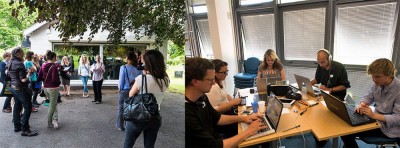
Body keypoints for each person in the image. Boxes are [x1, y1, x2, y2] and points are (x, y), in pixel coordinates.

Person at [185, 57, 266, 147]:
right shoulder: (187, 116)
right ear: (195, 82)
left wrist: (244, 118)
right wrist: (248, 131)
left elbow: (218, 118)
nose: (213, 83)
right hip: (216, 143)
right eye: (210, 80)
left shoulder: (201, 97)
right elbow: (216, 146)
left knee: (260, 136)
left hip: (217, 138)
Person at [341, 58, 400, 147]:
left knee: (346, 132)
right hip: (376, 121)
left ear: (389, 75)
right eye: (372, 76)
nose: (373, 79)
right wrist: (362, 104)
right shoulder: (378, 83)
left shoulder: (398, 89)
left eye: (377, 76)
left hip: (390, 129)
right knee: (345, 128)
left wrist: (373, 115)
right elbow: (368, 96)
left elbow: (398, 119)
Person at [124, 50, 169, 148]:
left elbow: (130, 95)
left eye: (144, 61)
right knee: (149, 146)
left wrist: (144, 75)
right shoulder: (166, 79)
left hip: (137, 117)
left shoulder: (141, 79)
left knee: (128, 144)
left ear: (148, 63)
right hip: (154, 116)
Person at [7, 47, 38, 136]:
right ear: (19, 53)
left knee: (17, 106)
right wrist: (29, 72)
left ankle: (17, 126)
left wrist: (26, 72)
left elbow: (10, 74)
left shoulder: (10, 62)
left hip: (13, 86)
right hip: (21, 88)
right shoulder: (19, 64)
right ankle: (25, 129)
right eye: (22, 53)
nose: (24, 54)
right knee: (28, 107)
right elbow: (24, 79)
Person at [206, 59, 241, 138]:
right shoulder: (213, 87)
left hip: (227, 111)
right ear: (215, 73)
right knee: (243, 123)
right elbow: (216, 110)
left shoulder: (220, 81)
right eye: (224, 72)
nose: (227, 74)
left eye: (227, 71)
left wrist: (233, 102)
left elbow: (226, 94)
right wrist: (233, 103)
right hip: (221, 119)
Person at [116, 51, 141, 131]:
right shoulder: (138, 69)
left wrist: (119, 89)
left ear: (127, 58)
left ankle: (120, 125)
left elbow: (121, 80)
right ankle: (128, 125)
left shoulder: (123, 67)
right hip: (134, 90)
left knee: (121, 108)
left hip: (124, 90)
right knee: (131, 108)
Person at [38, 51, 61, 129]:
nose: (56, 58)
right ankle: (49, 122)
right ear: (54, 57)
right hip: (53, 88)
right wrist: (59, 82)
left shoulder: (43, 65)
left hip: (46, 88)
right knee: (52, 105)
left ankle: (55, 120)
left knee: (53, 104)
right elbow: (55, 79)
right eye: (56, 57)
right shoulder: (54, 66)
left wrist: (45, 80)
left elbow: (39, 77)